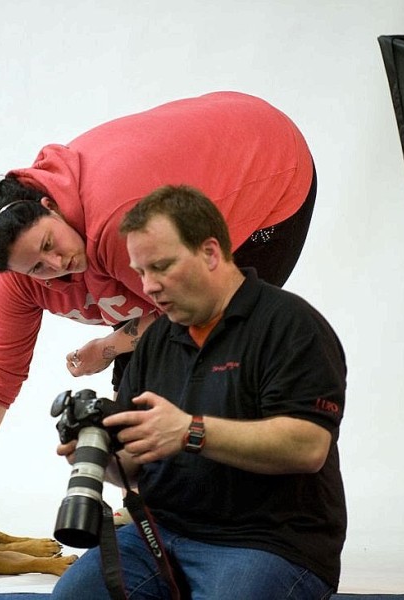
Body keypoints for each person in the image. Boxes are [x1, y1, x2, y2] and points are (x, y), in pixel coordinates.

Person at [0, 92, 318, 532]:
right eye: (36, 267)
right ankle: (156, 507)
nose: (55, 266)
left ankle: (207, 510)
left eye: (51, 244)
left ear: (51, 207)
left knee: (213, 340)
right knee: (145, 357)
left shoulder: (117, 224)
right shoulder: (19, 275)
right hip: (175, 194)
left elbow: (186, 312)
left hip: (267, 166)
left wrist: (107, 346)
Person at [51, 185, 347, 599]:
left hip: (267, 541)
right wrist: (98, 454)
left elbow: (309, 446)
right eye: (140, 272)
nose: (148, 287)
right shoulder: (155, 341)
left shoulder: (290, 325)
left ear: (211, 253)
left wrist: (190, 431)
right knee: (72, 597)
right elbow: (133, 467)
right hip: (160, 533)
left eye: (162, 266)